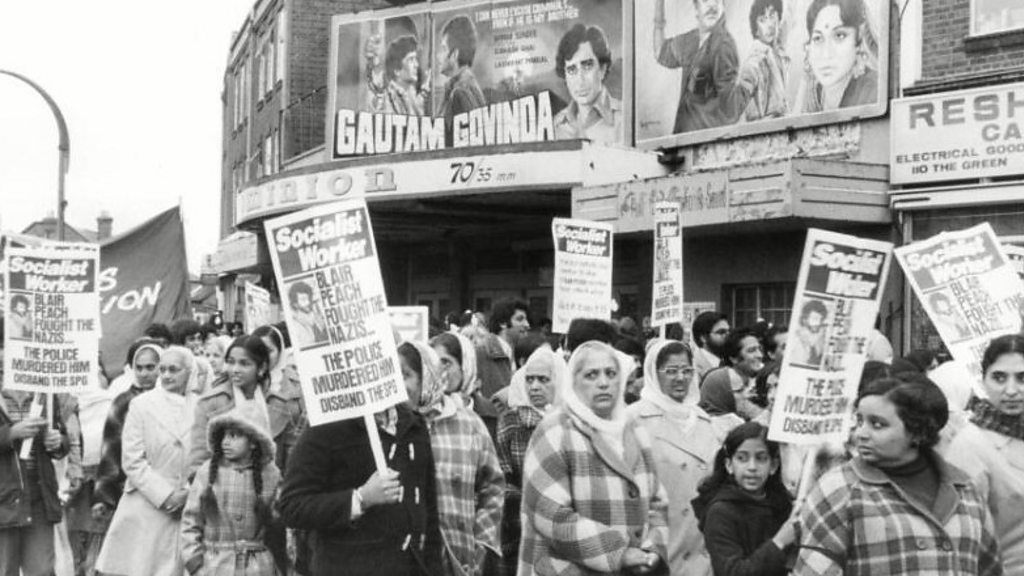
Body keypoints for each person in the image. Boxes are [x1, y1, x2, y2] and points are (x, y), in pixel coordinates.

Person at [796, 376, 1003, 575]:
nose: (861, 433)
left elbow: (990, 567)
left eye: (877, 424)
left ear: (917, 431)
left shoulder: (965, 490)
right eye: (859, 421)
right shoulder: (840, 490)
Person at [278, 356, 443, 576]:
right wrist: (360, 499)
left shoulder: (413, 425)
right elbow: (291, 506)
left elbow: (429, 514)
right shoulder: (327, 427)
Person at [519, 340, 668, 575]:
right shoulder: (555, 430)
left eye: (611, 373)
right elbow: (549, 513)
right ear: (573, 382)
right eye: (591, 375)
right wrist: (619, 553)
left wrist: (652, 550)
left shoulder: (634, 429)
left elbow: (658, 502)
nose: (603, 383)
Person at [401, 341, 504, 576]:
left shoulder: (469, 424)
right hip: (405, 561)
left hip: (460, 559)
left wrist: (482, 544)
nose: (399, 384)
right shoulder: (391, 427)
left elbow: (493, 486)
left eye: (406, 375)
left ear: (428, 375)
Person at [95, 346, 196, 576]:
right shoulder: (141, 404)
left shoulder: (201, 406)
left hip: (188, 507)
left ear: (190, 372)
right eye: (163, 369)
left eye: (174, 370)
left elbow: (205, 457)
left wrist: (188, 493)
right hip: (147, 503)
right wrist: (166, 496)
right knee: (144, 566)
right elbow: (132, 459)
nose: (167, 375)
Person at [626, 339, 721, 575]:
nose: (680, 378)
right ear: (653, 373)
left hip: (701, 546)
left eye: (686, 370)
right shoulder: (634, 418)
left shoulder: (704, 420)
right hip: (661, 543)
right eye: (671, 371)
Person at [941, 334, 1024, 571]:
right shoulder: (969, 445)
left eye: (1022, 378)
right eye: (999, 378)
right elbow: (958, 537)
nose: (1011, 390)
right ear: (983, 380)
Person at [0, 334, 72, 576]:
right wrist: (10, 434)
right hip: (3, 498)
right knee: (5, 568)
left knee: (42, 569)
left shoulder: (44, 393)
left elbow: (62, 439)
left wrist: (58, 442)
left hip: (39, 495)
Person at [181, 411, 281, 576]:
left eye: (234, 436)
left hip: (258, 568)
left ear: (253, 442)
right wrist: (194, 563)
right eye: (224, 436)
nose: (225, 442)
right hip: (213, 566)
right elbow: (190, 521)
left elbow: (279, 526)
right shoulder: (207, 472)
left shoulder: (271, 475)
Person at [494, 346, 565, 576]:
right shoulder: (511, 422)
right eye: (530, 379)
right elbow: (503, 479)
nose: (534, 386)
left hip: (567, 532)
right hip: (520, 529)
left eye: (543, 380)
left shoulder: (571, 423)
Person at [692, 422, 796, 576]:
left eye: (761, 458)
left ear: (773, 466)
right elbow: (732, 572)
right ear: (729, 465)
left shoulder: (781, 505)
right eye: (742, 458)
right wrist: (779, 541)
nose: (752, 467)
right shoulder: (720, 512)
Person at [93, 340, 164, 519]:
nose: (144, 374)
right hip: (131, 488)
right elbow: (111, 450)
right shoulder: (124, 403)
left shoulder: (175, 401)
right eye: (139, 368)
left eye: (150, 367)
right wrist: (104, 496)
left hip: (169, 488)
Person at [654, 0, 745, 133]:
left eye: (717, 0)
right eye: (705, 0)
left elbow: (730, 111)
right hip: (683, 139)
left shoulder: (724, 47)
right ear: (696, 8)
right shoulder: (691, 40)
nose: (712, 5)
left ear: (723, 5)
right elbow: (661, 53)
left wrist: (749, 83)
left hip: (707, 141)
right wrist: (659, 8)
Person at [798, 0, 879, 112]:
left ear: (859, 38)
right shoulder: (815, 93)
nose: (826, 54)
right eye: (818, 38)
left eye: (839, 36)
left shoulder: (874, 92)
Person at [553, 23, 623, 144]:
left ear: (602, 69)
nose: (580, 80)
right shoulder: (557, 124)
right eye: (572, 70)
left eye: (587, 66)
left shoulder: (624, 119)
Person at [430, 332, 499, 441]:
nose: (439, 370)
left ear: (465, 366)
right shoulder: (427, 412)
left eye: (446, 362)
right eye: (434, 362)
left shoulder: (489, 412)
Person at [738, 0, 789, 121]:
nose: (769, 25)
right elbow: (740, 106)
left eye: (772, 16)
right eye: (762, 20)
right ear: (756, 29)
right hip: (766, 130)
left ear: (778, 18)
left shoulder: (780, 57)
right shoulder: (754, 63)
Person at [700, 329, 765, 422]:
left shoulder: (755, 378)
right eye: (751, 351)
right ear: (734, 358)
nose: (760, 355)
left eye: (760, 349)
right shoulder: (725, 377)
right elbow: (754, 414)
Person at [438, 15, 486, 136]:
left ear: (454, 54)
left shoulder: (460, 93)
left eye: (443, 49)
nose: (438, 56)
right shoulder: (459, 85)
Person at [476, 298, 529, 399]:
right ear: (502, 323)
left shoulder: (519, 354)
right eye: (520, 319)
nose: (527, 325)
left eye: (526, 320)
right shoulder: (481, 352)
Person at [385, 35, 427, 116]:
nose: (416, 65)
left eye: (416, 59)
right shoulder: (389, 99)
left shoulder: (411, 95)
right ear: (397, 70)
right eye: (411, 60)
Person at [287, 282, 328, 347]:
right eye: (303, 300)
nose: (308, 302)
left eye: (309, 298)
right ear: (295, 304)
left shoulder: (317, 318)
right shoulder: (296, 326)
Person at [789, 299, 828, 367]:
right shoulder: (794, 340)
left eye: (821, 319)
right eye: (815, 319)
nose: (818, 323)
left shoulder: (820, 339)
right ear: (805, 319)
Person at [692, 312, 729, 379]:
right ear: (703, 338)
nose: (727, 336)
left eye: (728, 331)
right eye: (721, 332)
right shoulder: (693, 367)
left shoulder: (729, 363)